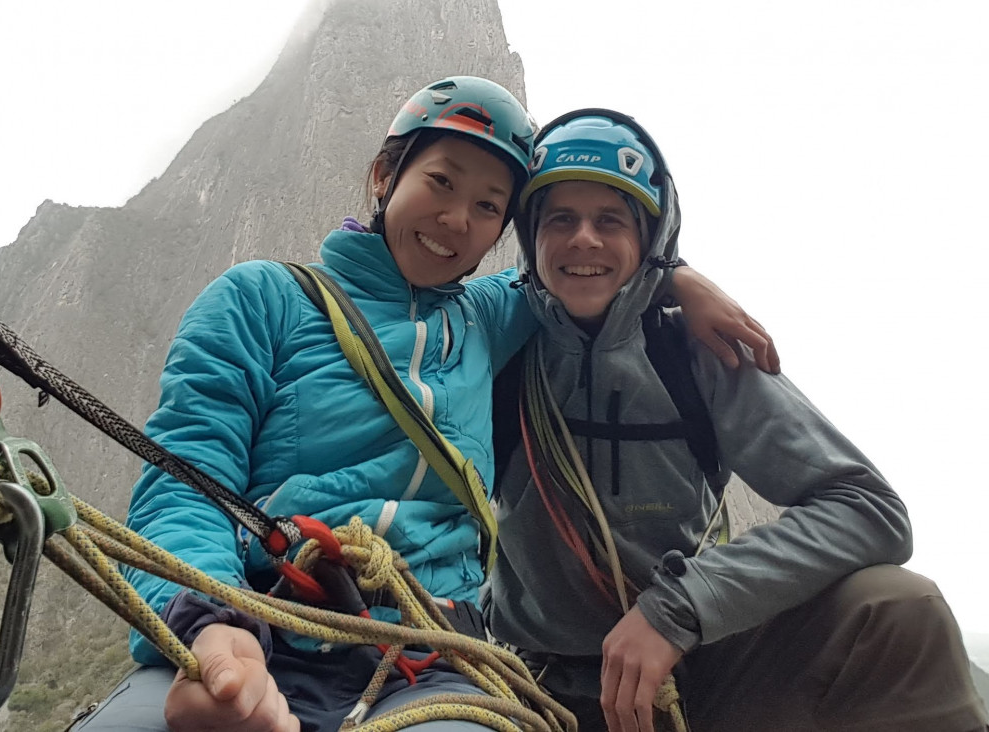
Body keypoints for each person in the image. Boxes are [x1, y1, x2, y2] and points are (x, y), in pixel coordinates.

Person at [69, 80, 777, 732]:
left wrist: (677, 278)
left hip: (432, 657)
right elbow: (185, 480)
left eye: (488, 207)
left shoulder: (489, 317)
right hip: (262, 618)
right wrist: (216, 630)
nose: (455, 219)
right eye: (440, 181)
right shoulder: (262, 299)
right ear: (386, 174)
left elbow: (587, 265)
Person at [485, 107, 989, 732]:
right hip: (533, 682)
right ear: (531, 237)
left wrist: (682, 606)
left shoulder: (698, 355)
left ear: (649, 241)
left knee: (898, 608)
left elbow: (869, 507)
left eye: (611, 220)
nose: (583, 238)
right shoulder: (497, 348)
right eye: (560, 218)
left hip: (698, 671)